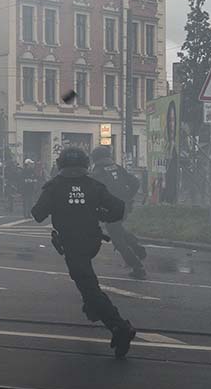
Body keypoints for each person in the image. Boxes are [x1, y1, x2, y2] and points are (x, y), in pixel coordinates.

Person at [32, 147, 136, 358]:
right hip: (92, 242)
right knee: (86, 281)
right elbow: (118, 209)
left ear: (60, 164)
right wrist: (98, 212)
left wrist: (59, 205)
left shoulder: (54, 187)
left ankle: (120, 327)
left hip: (72, 244)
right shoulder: (94, 186)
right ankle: (92, 309)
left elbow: (37, 214)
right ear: (86, 164)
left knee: (89, 287)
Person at [89, 146, 147, 279]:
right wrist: (128, 196)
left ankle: (137, 266)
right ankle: (137, 248)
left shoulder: (98, 172)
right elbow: (135, 182)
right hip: (124, 206)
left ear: (96, 158)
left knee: (117, 240)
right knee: (117, 228)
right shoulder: (117, 167)